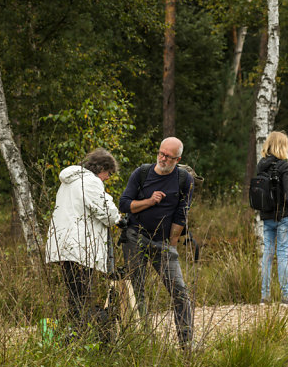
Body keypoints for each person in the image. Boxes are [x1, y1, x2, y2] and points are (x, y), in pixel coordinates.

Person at [118, 137, 194, 347]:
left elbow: (181, 214)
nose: (162, 158)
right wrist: (150, 201)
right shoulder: (141, 173)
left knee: (180, 291)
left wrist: (172, 244)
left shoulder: (184, 179)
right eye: (161, 153)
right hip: (135, 237)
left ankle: (187, 343)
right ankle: (143, 341)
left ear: (177, 159)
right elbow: (124, 204)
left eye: (168, 156)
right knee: (137, 290)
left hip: (163, 244)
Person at [45, 148, 122, 336]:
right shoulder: (90, 182)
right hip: (79, 248)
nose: (108, 178)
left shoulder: (70, 182)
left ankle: (73, 333)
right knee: (82, 296)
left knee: (74, 294)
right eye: (109, 174)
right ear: (102, 168)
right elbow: (107, 213)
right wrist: (120, 219)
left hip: (64, 245)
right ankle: (78, 337)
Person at [255, 132, 288, 305]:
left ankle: (265, 297)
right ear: (282, 146)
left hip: (266, 215)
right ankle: (285, 297)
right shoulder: (284, 166)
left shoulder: (260, 166)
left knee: (267, 254)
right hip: (283, 215)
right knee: (282, 254)